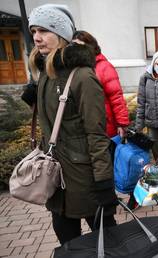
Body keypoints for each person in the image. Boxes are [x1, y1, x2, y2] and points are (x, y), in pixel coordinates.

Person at [26, 4, 117, 245]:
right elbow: (57, 122)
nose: (37, 37)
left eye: (44, 30)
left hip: (85, 178)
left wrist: (104, 181)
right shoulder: (46, 71)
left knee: (108, 241)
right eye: (34, 30)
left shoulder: (84, 77)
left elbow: (96, 134)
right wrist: (34, 101)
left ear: (62, 34)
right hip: (56, 177)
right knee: (67, 242)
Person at [72, 31, 129, 139]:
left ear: (90, 46)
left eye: (80, 46)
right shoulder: (75, 68)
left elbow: (116, 97)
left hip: (105, 126)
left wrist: (122, 123)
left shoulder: (104, 67)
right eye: (74, 47)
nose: (77, 51)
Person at [135, 50, 158, 163]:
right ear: (153, 64)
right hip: (151, 121)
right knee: (155, 148)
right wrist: (138, 126)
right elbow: (141, 103)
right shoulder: (145, 78)